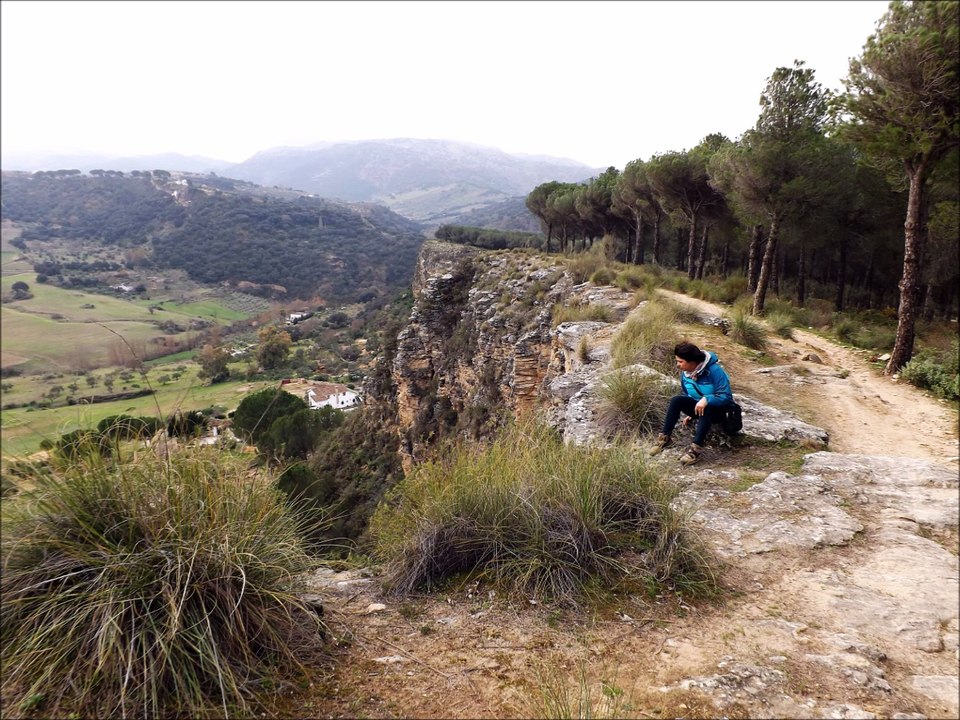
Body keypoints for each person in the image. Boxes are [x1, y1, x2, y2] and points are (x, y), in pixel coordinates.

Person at [650, 341, 735, 465]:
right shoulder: (686, 374)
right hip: (701, 407)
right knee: (676, 400)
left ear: (692, 361)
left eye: (680, 361)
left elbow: (726, 396)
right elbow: (689, 395)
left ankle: (695, 450)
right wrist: (692, 413)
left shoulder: (714, 370)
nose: (678, 365)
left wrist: (707, 399)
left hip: (720, 411)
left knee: (707, 408)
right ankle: (664, 438)